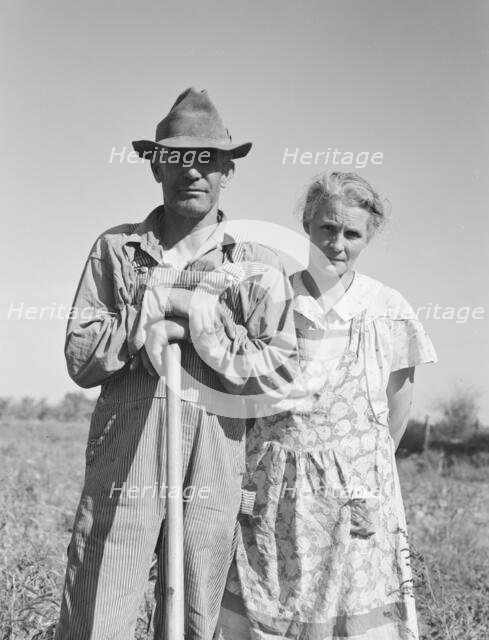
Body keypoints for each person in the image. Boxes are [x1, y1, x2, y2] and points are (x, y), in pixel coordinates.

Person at [55, 87, 297, 640]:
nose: (193, 171)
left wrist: (204, 323)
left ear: (227, 172)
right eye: (178, 158)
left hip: (215, 451)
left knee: (195, 607)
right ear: (156, 166)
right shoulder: (117, 249)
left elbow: (281, 373)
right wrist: (147, 316)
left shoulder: (257, 264)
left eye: (208, 160)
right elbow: (81, 356)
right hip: (127, 448)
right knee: (102, 600)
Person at [217, 172, 437, 640]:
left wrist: (360, 469)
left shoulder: (385, 307)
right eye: (327, 229)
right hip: (272, 480)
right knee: (265, 602)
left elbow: (398, 405)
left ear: (368, 236)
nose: (338, 243)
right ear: (307, 225)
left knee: (351, 613)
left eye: (351, 233)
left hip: (354, 488)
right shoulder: (272, 297)